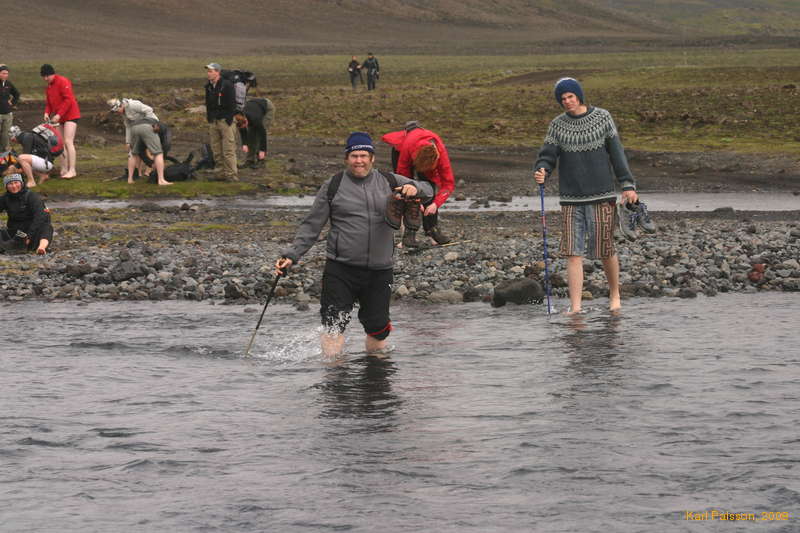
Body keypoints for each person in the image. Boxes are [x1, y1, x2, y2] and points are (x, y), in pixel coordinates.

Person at [274, 132, 433, 358]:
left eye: (364, 155)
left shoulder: (390, 181)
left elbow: (429, 190)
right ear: (347, 158)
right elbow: (311, 225)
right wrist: (291, 255)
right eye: (354, 155)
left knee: (378, 333)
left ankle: (376, 384)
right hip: (341, 270)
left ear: (372, 158)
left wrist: (414, 189)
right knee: (333, 327)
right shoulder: (334, 185)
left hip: (379, 271)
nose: (359, 160)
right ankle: (334, 380)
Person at [533, 77, 637, 314]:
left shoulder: (602, 118)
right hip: (571, 198)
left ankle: (615, 295)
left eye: (570, 96)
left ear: (579, 95)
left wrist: (627, 184)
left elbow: (616, 153)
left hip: (601, 196)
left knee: (605, 250)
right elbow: (547, 156)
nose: (567, 102)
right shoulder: (557, 125)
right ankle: (576, 307)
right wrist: (542, 171)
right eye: (562, 99)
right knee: (572, 253)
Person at [381, 121, 455, 247]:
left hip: (422, 153)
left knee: (429, 189)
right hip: (402, 148)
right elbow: (403, 180)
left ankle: (432, 230)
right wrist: (415, 199)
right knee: (405, 191)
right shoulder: (407, 148)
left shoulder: (441, 155)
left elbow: (448, 184)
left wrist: (435, 204)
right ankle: (408, 235)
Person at [107, 98, 171, 185]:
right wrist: (128, 142)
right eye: (115, 112)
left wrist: (154, 124)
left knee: (154, 151)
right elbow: (128, 127)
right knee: (133, 153)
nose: (117, 113)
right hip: (138, 128)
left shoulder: (133, 104)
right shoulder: (124, 114)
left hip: (151, 126)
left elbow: (149, 110)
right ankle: (131, 179)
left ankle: (152, 174)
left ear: (121, 105)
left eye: (117, 110)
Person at [41, 64, 80, 179]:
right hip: (60, 117)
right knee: (60, 144)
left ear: (52, 73)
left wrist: (58, 114)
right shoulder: (49, 87)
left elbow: (68, 99)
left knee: (68, 141)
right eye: (43, 76)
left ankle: (72, 170)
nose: (45, 79)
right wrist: (46, 113)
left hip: (71, 115)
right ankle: (64, 168)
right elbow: (49, 103)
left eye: (47, 76)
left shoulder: (63, 81)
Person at [0, 174, 53, 254]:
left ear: (21, 183)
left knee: (47, 227)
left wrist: (29, 236)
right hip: (16, 232)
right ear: (6, 186)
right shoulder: (5, 198)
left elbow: (40, 216)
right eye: (10, 184)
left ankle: (41, 248)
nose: (14, 186)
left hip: (32, 232)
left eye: (16, 182)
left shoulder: (32, 196)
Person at [204, 62, 238, 181]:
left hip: (225, 121)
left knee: (228, 149)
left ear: (217, 72)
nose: (208, 74)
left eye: (210, 71)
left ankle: (231, 175)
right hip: (213, 121)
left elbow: (232, 104)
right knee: (216, 149)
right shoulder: (208, 86)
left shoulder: (227, 85)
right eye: (207, 71)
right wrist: (209, 118)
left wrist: (228, 119)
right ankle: (220, 174)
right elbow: (208, 103)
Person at [234, 97, 275, 168]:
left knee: (258, 134)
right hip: (255, 106)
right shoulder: (239, 118)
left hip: (267, 108)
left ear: (245, 120)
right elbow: (243, 131)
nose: (245, 127)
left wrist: (263, 149)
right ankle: (250, 160)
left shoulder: (255, 118)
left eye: (245, 125)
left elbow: (263, 134)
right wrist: (245, 143)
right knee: (251, 135)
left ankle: (261, 160)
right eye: (242, 127)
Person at [0, 65, 20, 152]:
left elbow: (17, 94)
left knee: (6, 134)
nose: (5, 75)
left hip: (7, 114)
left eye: (7, 73)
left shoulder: (8, 84)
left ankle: (5, 153)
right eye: (3, 73)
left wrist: (13, 103)